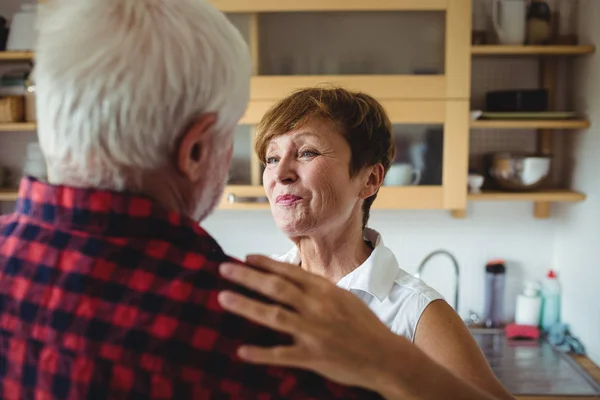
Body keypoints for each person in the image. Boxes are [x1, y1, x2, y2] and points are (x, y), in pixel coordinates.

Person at [0, 1, 382, 398]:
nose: (280, 171)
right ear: (196, 150)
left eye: (305, 152)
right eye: (232, 139)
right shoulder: (274, 345)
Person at [245, 87, 514, 399]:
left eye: (307, 152)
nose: (280, 173)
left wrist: (390, 361)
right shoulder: (258, 289)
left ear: (369, 180)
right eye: (272, 157)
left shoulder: (417, 312)